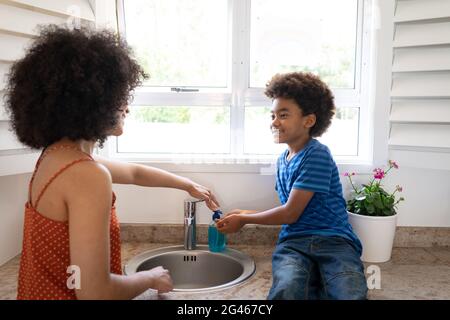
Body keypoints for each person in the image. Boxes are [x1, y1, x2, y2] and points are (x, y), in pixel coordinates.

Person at [5, 26, 219, 300]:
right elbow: (96, 293)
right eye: (119, 97)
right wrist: (150, 277)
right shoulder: (87, 175)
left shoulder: (57, 157)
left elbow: (134, 173)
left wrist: (187, 184)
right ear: (91, 101)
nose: (126, 107)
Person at [217, 72, 368, 300]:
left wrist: (245, 220)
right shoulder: (283, 160)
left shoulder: (317, 154)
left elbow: (290, 213)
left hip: (335, 242)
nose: (274, 122)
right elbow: (291, 210)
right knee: (287, 289)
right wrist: (245, 213)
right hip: (294, 243)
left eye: (283, 115)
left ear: (308, 121)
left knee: (348, 293)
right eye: (273, 115)